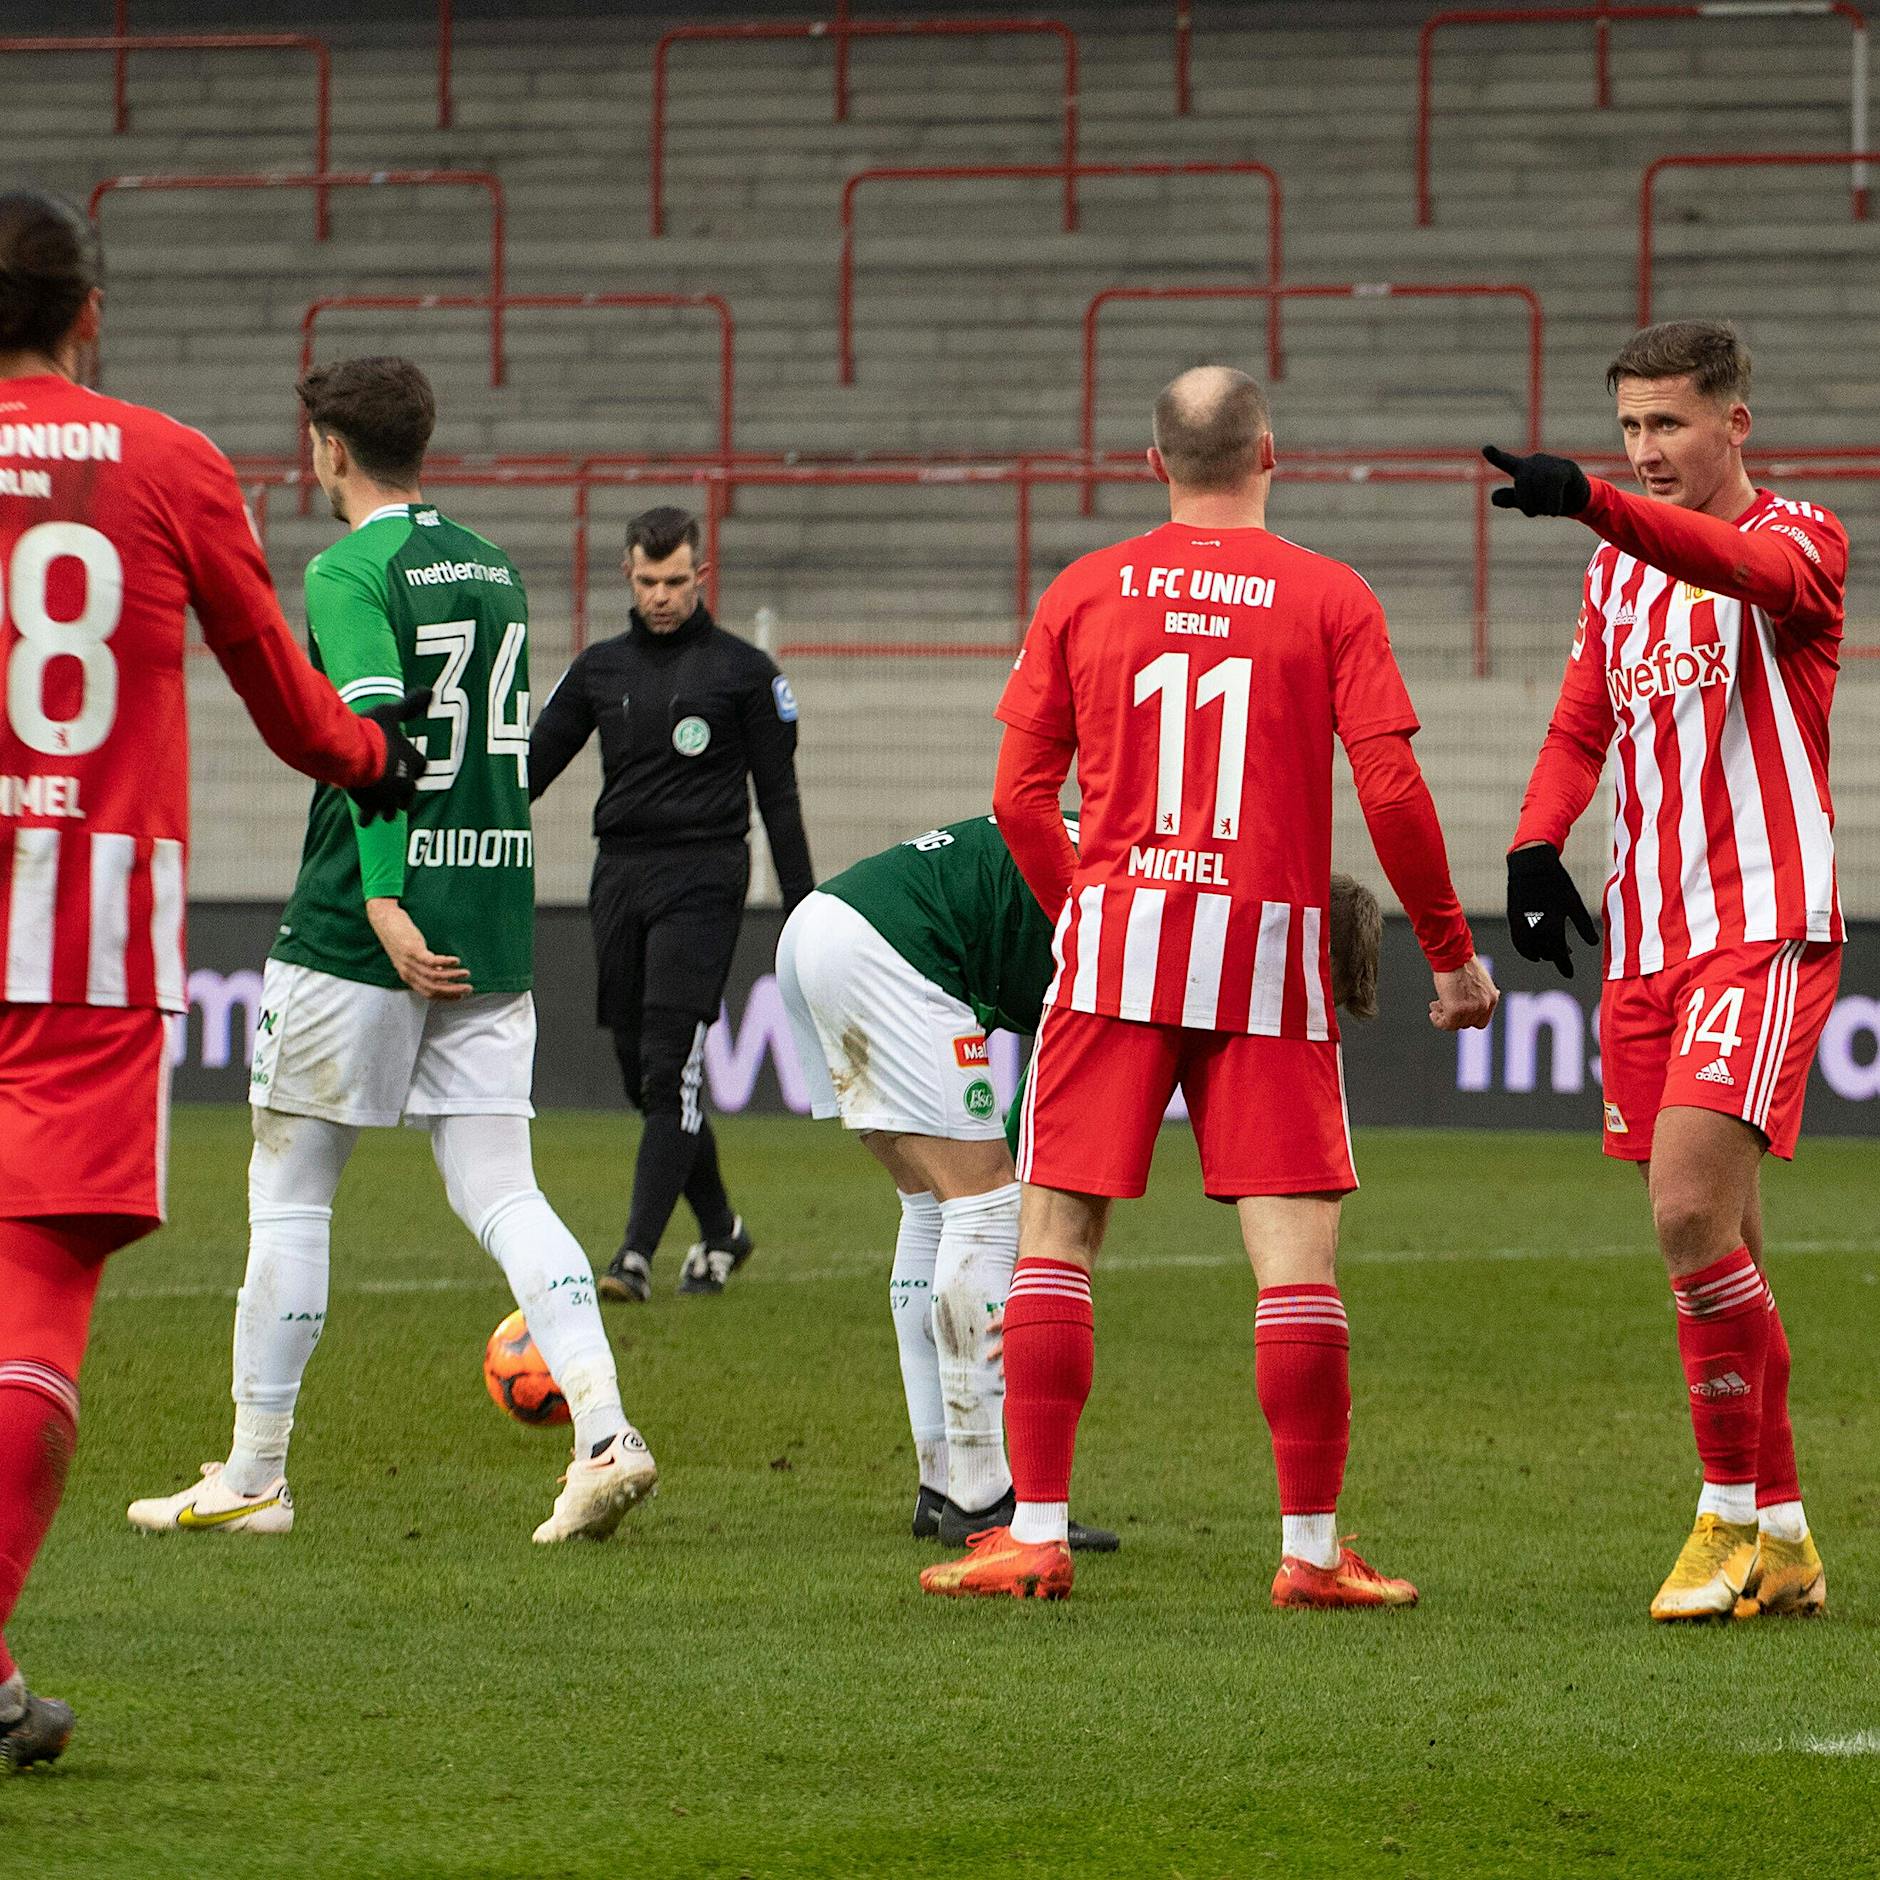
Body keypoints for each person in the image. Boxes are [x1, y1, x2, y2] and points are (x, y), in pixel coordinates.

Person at [920, 365, 1498, 1605]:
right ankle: (1306, 1551)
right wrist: (1448, 952)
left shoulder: (1082, 590)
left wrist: (1087, 905)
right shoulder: (1329, 594)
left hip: (1118, 942)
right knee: (1292, 1262)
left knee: (1056, 1236)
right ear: (1267, 453)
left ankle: (1034, 1527)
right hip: (1266, 952)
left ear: (1153, 463)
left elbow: (1019, 798)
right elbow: (1391, 790)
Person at [0, 193, 426, 1769]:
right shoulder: (167, 464)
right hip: (80, 942)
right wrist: (379, 761)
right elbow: (293, 705)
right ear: (88, 314)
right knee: (32, 1306)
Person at [128, 356, 656, 1548]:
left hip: (372, 914)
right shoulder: (496, 567)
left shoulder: (346, 568)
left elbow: (377, 735)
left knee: (290, 1185)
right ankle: (606, 1432)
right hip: (491, 899)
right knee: (502, 1186)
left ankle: (255, 1471)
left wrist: (378, 895)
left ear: (326, 447)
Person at [1487, 319, 1846, 1623]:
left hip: (1762, 927)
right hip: (1648, 946)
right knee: (1724, 1243)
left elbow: (1712, 555)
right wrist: (1535, 843)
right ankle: (1792, 1538)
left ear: (1734, 425)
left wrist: (1586, 499)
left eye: (1668, 426)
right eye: (1627, 431)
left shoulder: (1802, 543)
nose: (1644, 453)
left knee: (1689, 1218)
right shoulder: (1616, 580)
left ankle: (1725, 1518)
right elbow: (1584, 720)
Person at [778, 812, 1383, 1553]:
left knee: (935, 1209)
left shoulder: (1175, 873)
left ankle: (944, 1480)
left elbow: (1052, 1100)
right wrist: (1038, 1268)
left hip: (825, 925)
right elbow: (1075, 1131)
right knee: (988, 1208)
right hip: (890, 950)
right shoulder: (1181, 927)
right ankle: (981, 1498)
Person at [529, 506, 814, 1302]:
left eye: (676, 581)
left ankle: (633, 1257)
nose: (661, 596)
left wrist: (805, 911)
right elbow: (529, 771)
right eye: (649, 581)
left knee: (667, 1070)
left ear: (702, 577)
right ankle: (721, 1228)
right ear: (629, 573)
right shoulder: (598, 670)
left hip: (704, 876)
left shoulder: (745, 673)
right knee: (643, 1073)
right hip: (619, 876)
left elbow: (780, 802)